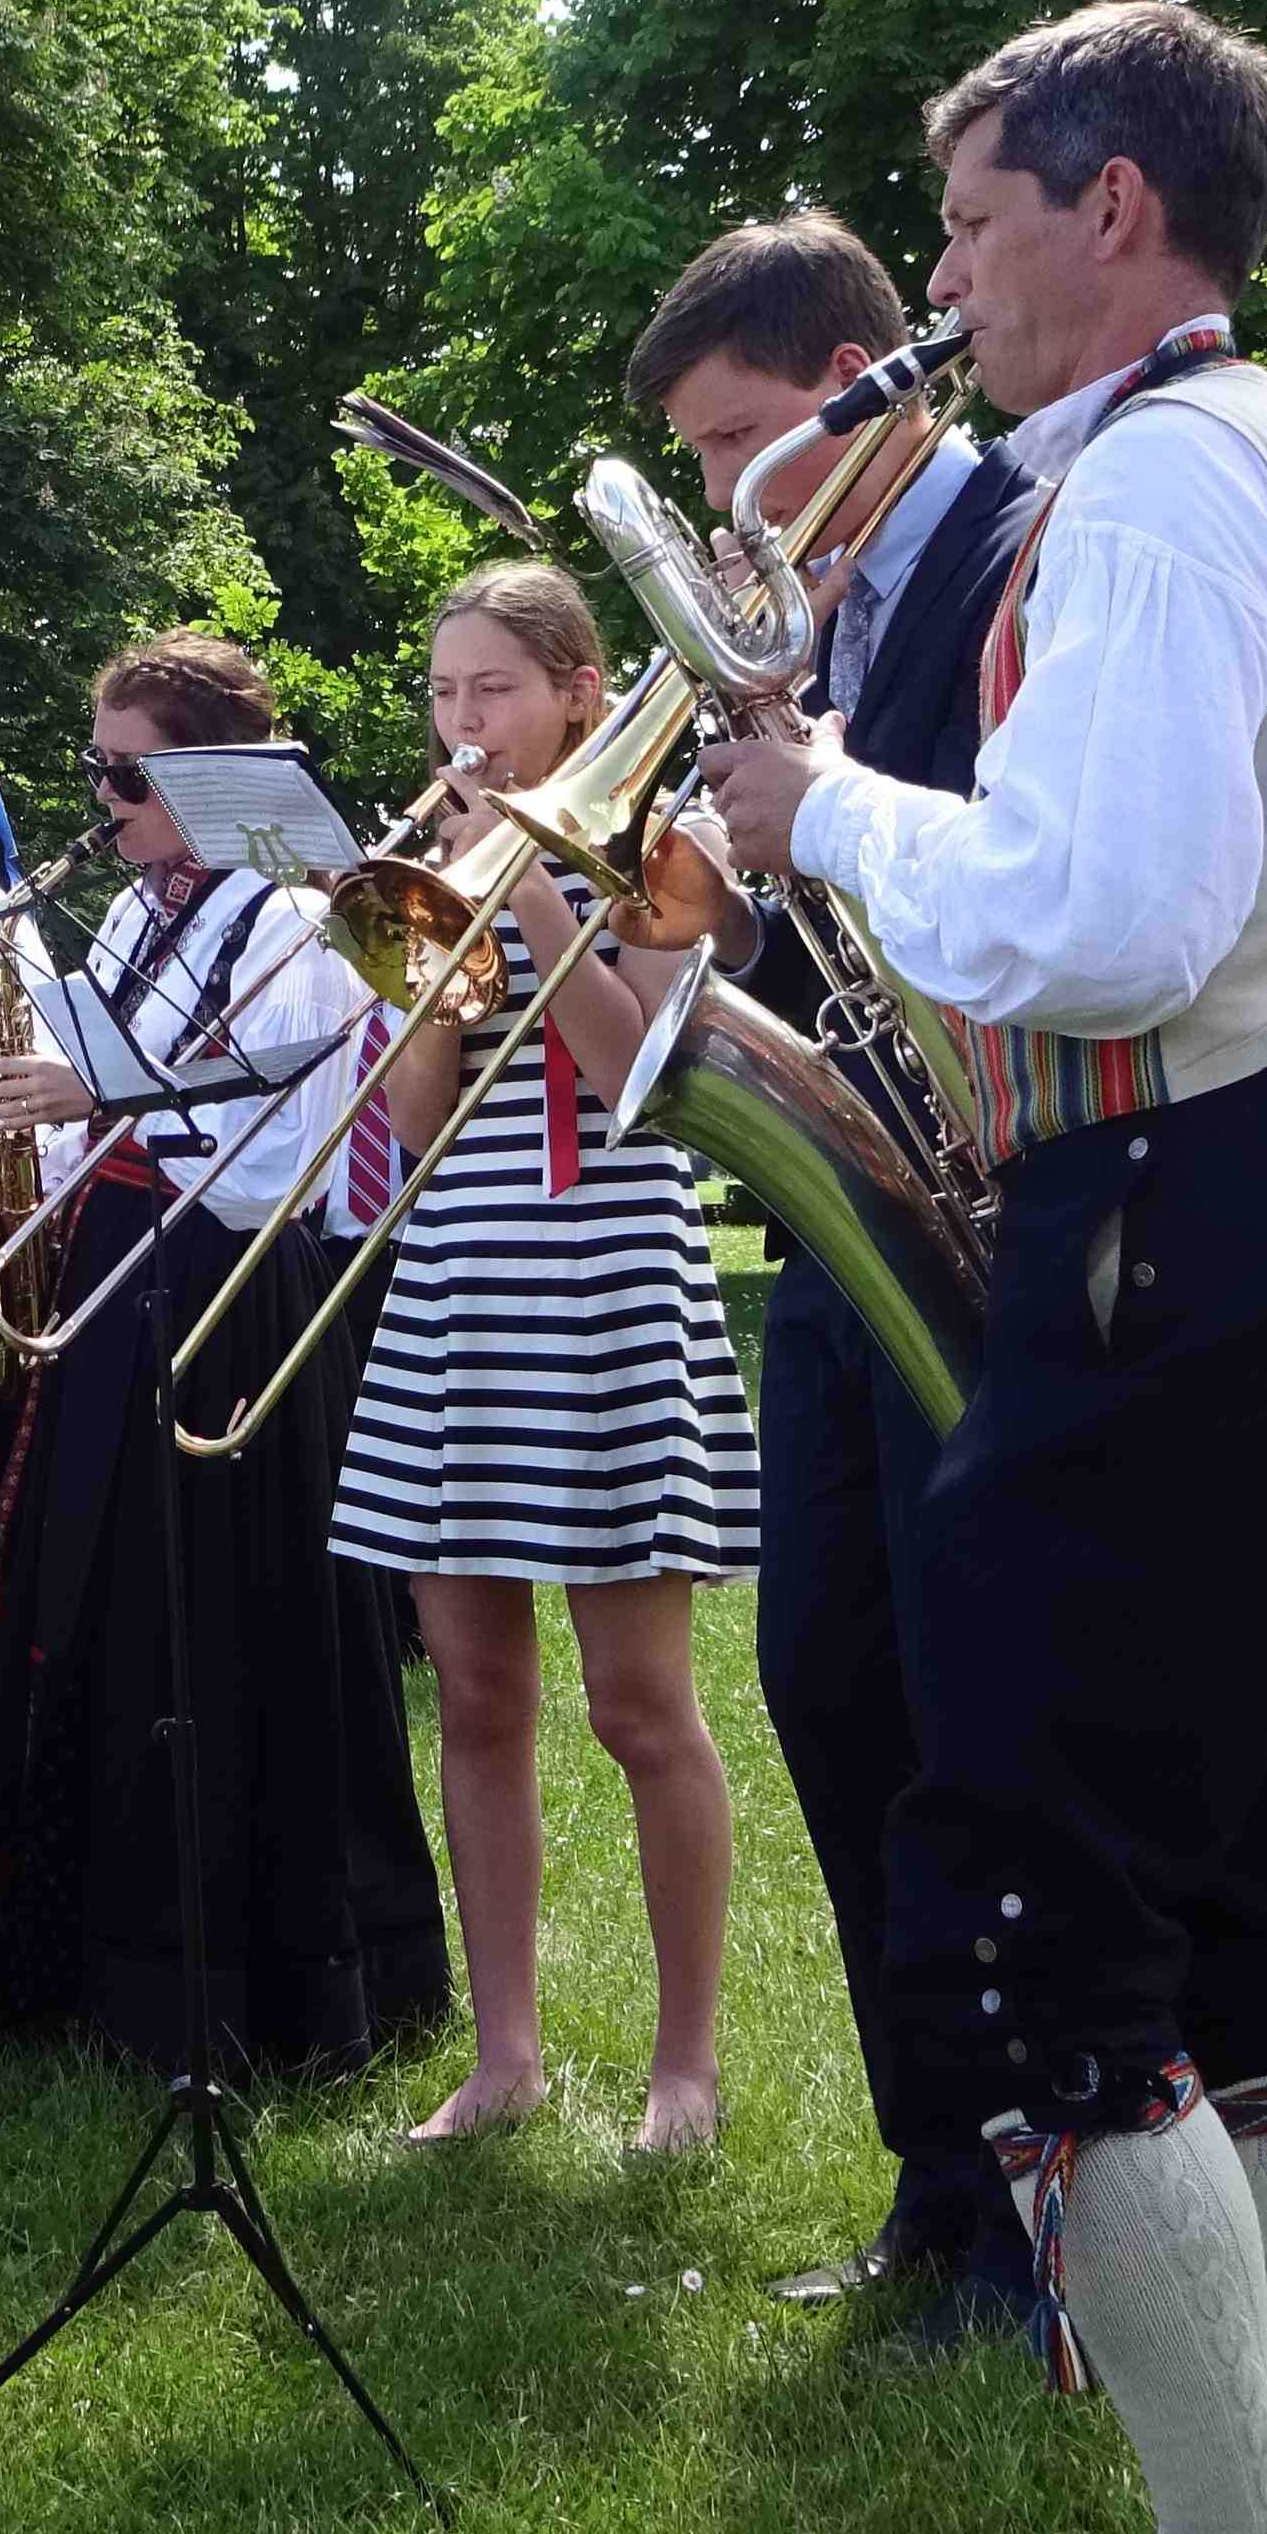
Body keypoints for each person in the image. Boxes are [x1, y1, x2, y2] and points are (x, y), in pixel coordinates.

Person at [704, 0, 1267, 2534]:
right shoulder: (1259, 453)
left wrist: (819, 803)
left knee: (1040, 1937)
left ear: (1111, 207)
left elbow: (1107, 918)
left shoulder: (1151, 482)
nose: (936, 278)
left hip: (1163, 1227)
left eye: (965, 221)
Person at [629, 212, 1051, 2311]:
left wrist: (824, 791)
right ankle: (935, 2177)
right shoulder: (809, 608)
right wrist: (718, 882)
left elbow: (1026, 888)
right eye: (698, 461)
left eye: (738, 444)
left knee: (986, 1715)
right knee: (826, 1675)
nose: (725, 500)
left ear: (849, 385)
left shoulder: (1025, 541)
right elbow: (813, 935)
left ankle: (1049, 2197)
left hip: (1003, 1207)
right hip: (844, 1200)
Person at [0, 635, 449, 2069]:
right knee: (75, 1608)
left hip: (229, 1304)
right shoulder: (136, 917)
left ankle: (233, 1979)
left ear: (208, 780)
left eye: (127, 776)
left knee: (206, 1633)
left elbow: (281, 1155)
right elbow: (85, 1097)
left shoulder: (295, 923)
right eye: (96, 770)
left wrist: (102, 1097)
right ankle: (56, 1951)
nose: (103, 800)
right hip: (113, 1283)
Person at [329, 561, 762, 2154]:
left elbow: (630, 1067)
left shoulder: (663, 847)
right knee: (476, 1691)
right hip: (463, 1279)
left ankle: (683, 2064)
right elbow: (416, 1123)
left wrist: (525, 887)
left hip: (605, 1282)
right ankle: (503, 2051)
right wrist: (431, 932)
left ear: (579, 693)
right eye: (443, 693)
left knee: (639, 1704)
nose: (463, 721)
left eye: (493, 689)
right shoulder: (433, 863)